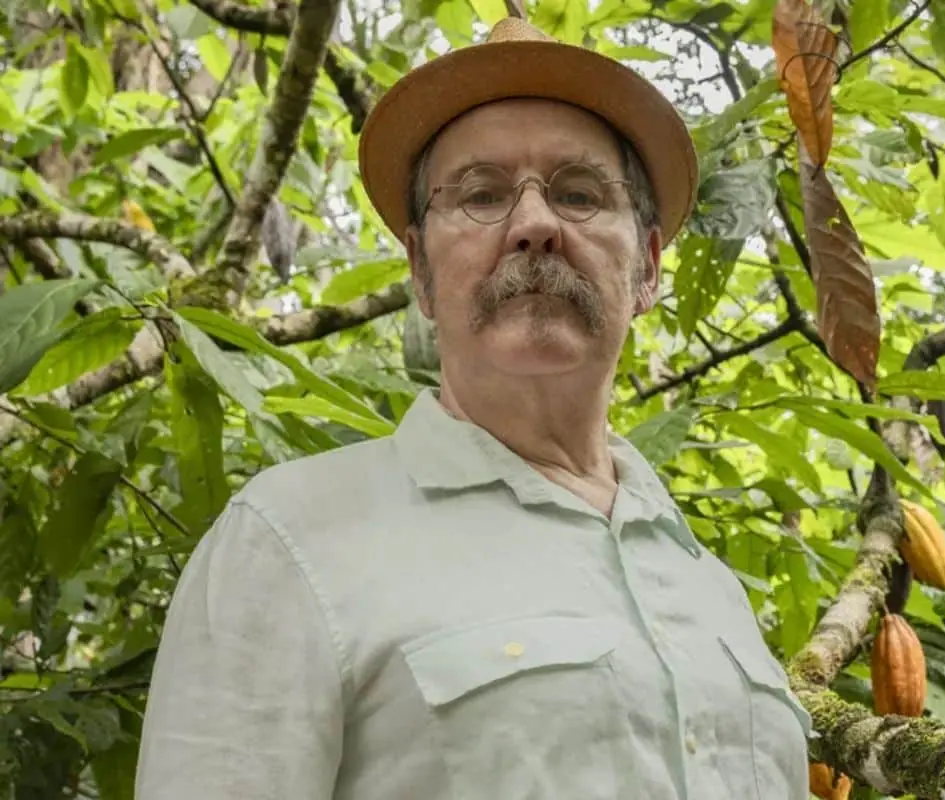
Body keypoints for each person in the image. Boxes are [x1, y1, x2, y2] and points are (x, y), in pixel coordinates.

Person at [134, 15, 812, 800]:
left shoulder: (708, 587)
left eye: (579, 193)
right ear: (420, 271)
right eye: (482, 194)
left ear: (649, 267)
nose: (535, 225)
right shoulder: (291, 538)